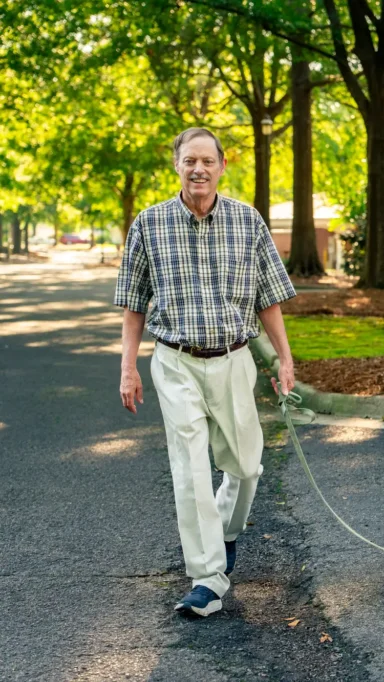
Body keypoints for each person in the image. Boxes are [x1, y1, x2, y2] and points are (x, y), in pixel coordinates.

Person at [114, 127, 296, 617]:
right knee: (191, 469)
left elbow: (270, 298)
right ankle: (208, 577)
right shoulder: (148, 225)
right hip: (174, 361)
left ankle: (226, 530)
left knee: (246, 464)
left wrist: (284, 357)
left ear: (221, 166)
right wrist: (129, 367)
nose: (198, 169)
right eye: (189, 160)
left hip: (235, 359)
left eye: (207, 161)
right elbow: (133, 305)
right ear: (177, 165)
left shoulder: (248, 221)